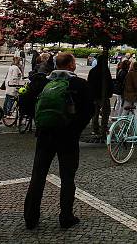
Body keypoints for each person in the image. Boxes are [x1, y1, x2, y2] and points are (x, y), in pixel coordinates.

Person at [24, 52, 94, 229]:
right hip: (68, 138)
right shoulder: (79, 84)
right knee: (68, 177)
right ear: (71, 65)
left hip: (45, 135)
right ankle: (66, 216)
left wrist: (40, 122)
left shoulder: (43, 82)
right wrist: (74, 128)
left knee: (38, 175)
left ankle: (31, 217)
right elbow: (89, 111)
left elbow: (25, 103)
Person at [87, 53, 113, 141]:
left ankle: (95, 128)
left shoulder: (93, 70)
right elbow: (109, 83)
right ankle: (104, 129)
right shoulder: (106, 71)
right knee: (105, 112)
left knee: (95, 113)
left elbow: (89, 83)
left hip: (94, 95)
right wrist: (109, 93)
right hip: (103, 95)